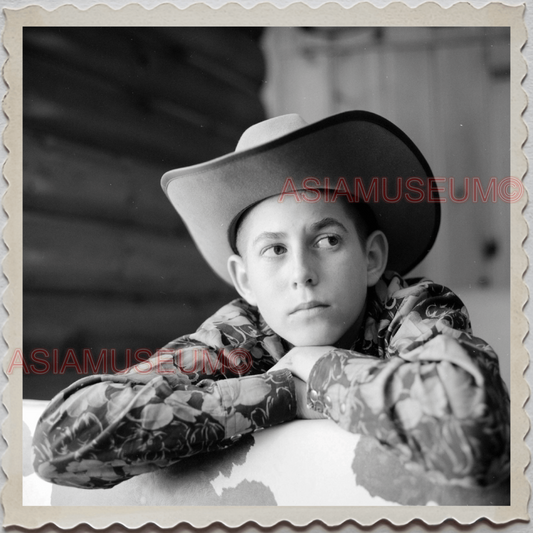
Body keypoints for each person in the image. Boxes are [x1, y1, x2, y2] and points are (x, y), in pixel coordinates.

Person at [32, 111, 509, 490]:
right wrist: (281, 392)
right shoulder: (238, 335)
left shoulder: (412, 307)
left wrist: (320, 368)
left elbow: (474, 430)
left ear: (372, 258)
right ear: (246, 281)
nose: (301, 273)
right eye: (274, 250)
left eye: (327, 241)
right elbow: (61, 442)